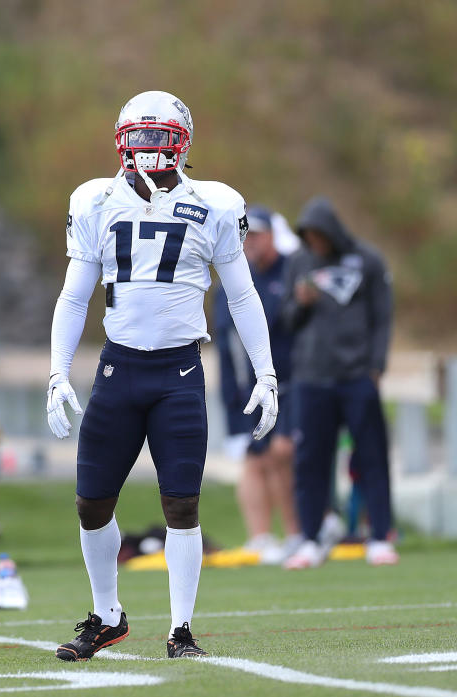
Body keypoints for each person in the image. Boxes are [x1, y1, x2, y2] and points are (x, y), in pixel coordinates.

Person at [47, 91, 277, 660]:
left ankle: (180, 630)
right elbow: (75, 297)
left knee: (182, 504)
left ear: (184, 141)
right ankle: (107, 614)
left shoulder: (217, 204)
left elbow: (242, 295)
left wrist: (266, 372)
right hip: (117, 367)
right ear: (121, 139)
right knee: (90, 502)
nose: (148, 147)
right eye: (139, 135)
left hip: (178, 371)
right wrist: (57, 371)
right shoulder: (95, 200)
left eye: (159, 135)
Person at [280, 196, 397, 569]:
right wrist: (301, 303)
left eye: (319, 235)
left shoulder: (367, 260)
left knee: (371, 456)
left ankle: (380, 536)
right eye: (308, 236)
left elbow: (383, 317)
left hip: (357, 376)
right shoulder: (299, 261)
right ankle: (311, 538)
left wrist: (376, 367)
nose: (314, 242)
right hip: (311, 378)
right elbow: (286, 320)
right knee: (310, 461)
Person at [213, 206, 302, 563]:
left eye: (258, 234)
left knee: (282, 455)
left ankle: (297, 533)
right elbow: (227, 341)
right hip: (246, 386)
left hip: (291, 382)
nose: (251, 242)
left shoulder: (292, 271)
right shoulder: (234, 278)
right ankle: (260, 537)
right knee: (254, 460)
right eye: (246, 235)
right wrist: (231, 393)